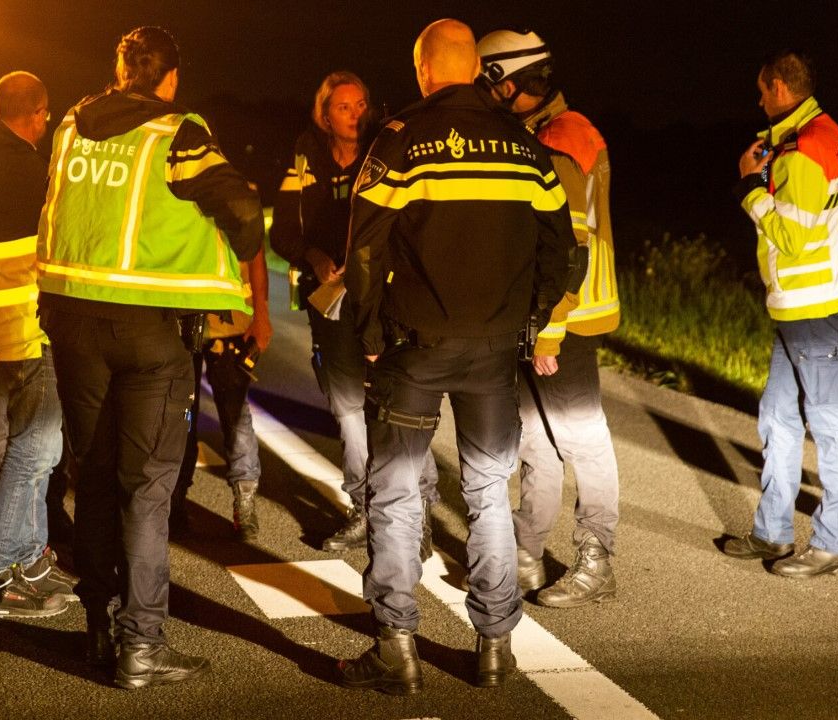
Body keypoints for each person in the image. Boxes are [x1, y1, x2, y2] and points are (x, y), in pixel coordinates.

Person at [337, 19, 575, 694]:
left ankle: (396, 650)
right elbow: (563, 250)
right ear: (476, 70)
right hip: (497, 353)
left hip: (415, 348)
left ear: (423, 71)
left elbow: (363, 249)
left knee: (395, 498)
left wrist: (370, 333)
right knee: (488, 495)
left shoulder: (401, 140)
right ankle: (495, 646)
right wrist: (529, 318)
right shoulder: (527, 149)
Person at [36, 26, 263, 688]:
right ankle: (142, 645)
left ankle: (100, 631)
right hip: (150, 335)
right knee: (147, 488)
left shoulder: (72, 125)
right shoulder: (176, 131)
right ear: (168, 78)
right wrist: (237, 249)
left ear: (119, 72)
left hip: (72, 318)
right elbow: (242, 206)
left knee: (98, 478)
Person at [269, 72, 440, 558]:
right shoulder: (306, 155)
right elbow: (283, 230)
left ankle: (420, 510)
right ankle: (365, 509)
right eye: (344, 107)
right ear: (325, 114)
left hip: (384, 299)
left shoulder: (386, 150)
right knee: (347, 410)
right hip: (330, 299)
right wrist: (316, 259)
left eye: (362, 103)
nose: (356, 114)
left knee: (402, 406)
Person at [477, 29, 620, 607]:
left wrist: (549, 327)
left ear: (506, 82)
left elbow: (569, 246)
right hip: (545, 318)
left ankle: (597, 559)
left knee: (583, 439)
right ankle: (527, 553)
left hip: (566, 318)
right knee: (535, 439)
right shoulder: (548, 131)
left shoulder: (560, 140)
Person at [722, 50, 838, 578]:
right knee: (777, 415)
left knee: (832, 423)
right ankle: (772, 533)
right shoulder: (832, 135)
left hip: (810, 302)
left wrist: (749, 187)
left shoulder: (801, 152)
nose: (759, 100)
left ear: (779, 87)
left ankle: (834, 543)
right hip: (807, 302)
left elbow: (793, 239)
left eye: (761, 91)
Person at [0, 72, 73, 618]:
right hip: (31, 321)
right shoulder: (22, 164)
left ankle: (28, 557)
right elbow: (60, 232)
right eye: (46, 114)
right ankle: (4, 566)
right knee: (35, 449)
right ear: (36, 112)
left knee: (37, 448)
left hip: (6, 324)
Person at [171, 246, 272, 540]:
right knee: (181, 416)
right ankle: (175, 501)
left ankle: (245, 503)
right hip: (183, 315)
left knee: (235, 415)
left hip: (232, 321)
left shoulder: (240, 196)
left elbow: (254, 252)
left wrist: (261, 316)